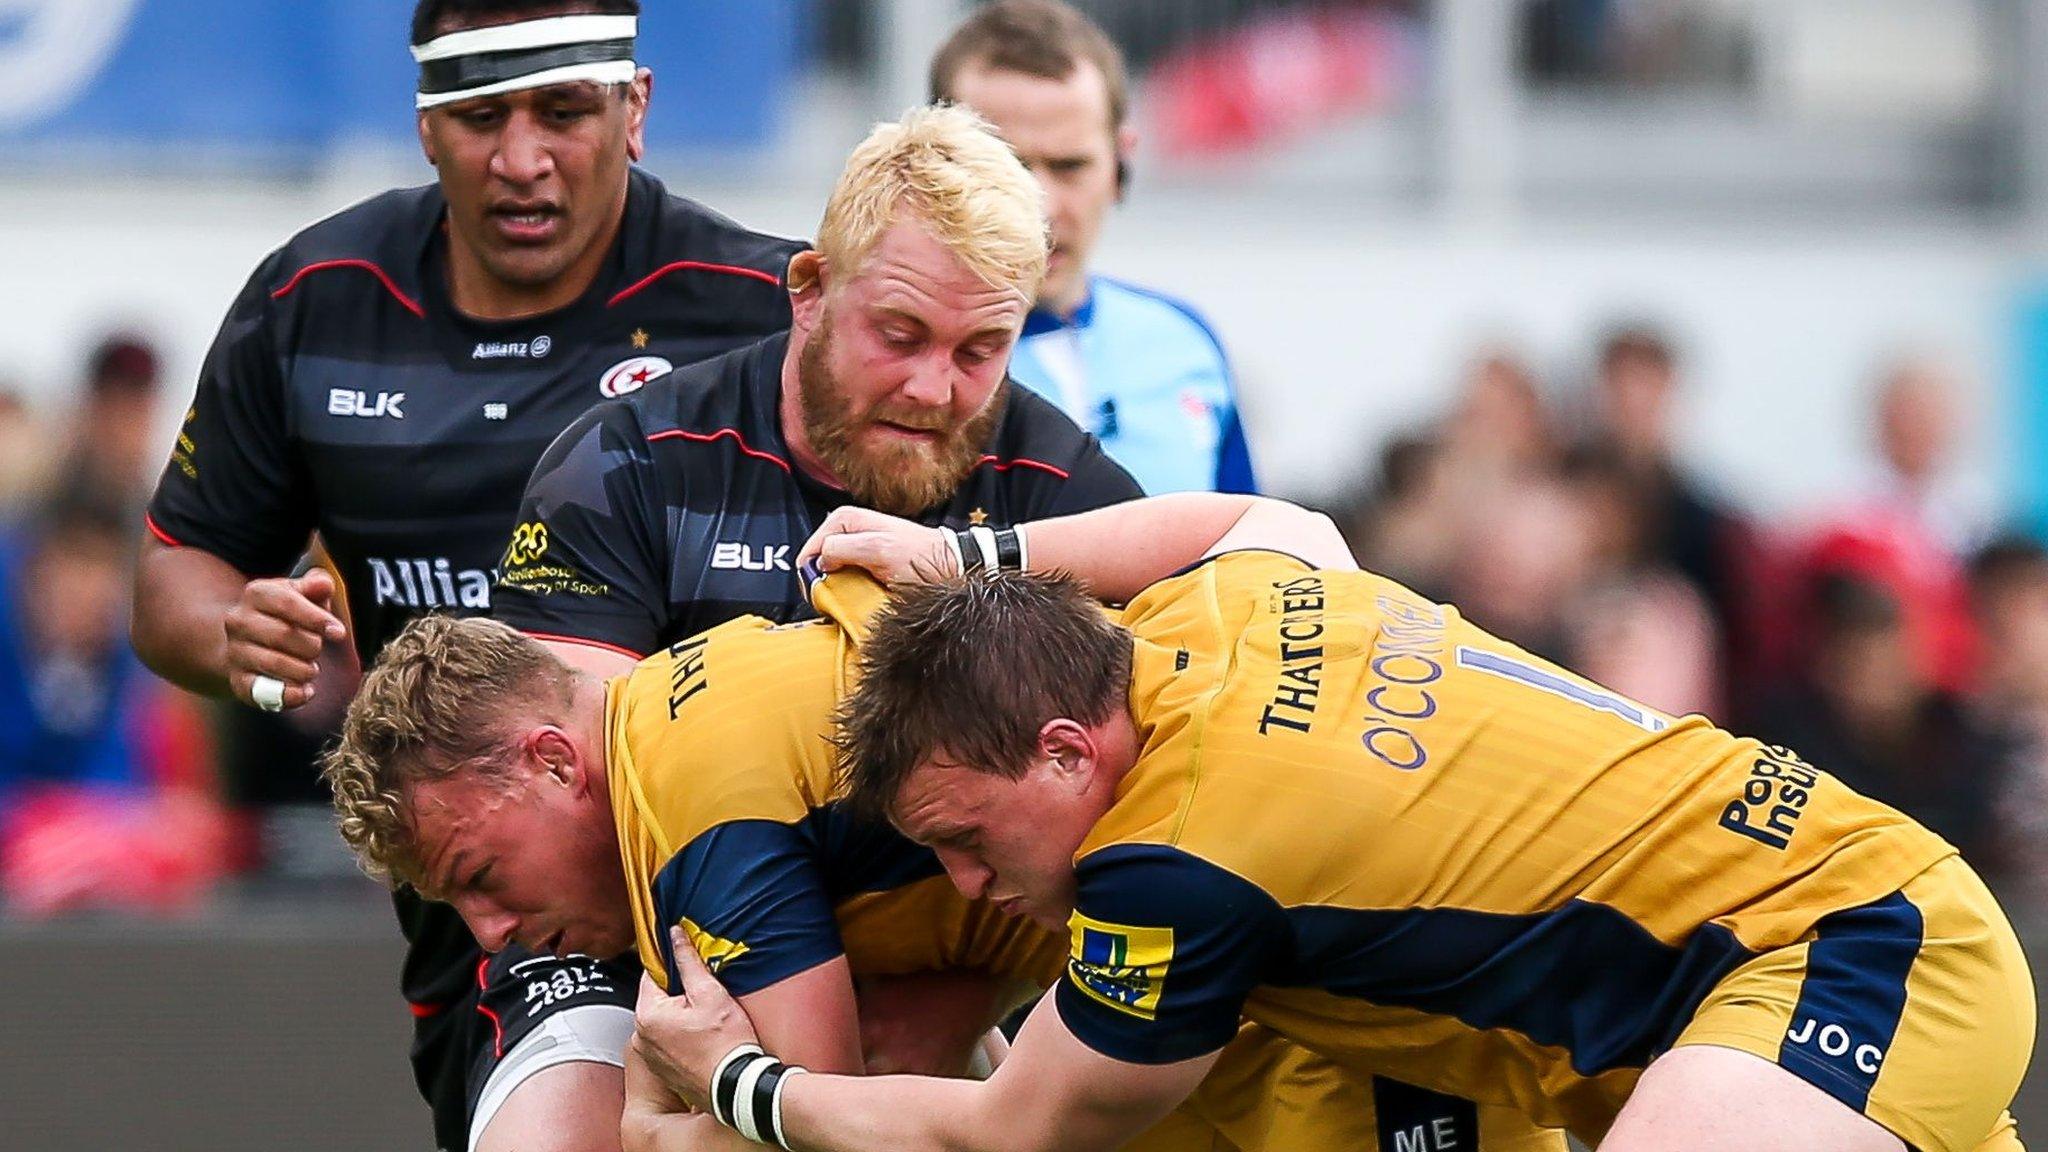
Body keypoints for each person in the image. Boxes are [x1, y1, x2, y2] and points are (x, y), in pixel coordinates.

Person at [630, 503, 2034, 1152]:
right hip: (1829, 928)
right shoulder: (1216, 610)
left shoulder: (1169, 870)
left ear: (1067, 747)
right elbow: (1276, 516)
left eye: (961, 834)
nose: (958, 884)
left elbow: (1013, 1130)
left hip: (1839, 951)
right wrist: (975, 556)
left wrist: (741, 1088)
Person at [325, 493, 1568, 1152]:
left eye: (474, 873)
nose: (491, 934)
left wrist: (671, 1118)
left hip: (1316, 1018)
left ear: (554, 761)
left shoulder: (690, 802)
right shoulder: (717, 682)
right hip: (1214, 1010)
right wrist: (982, 553)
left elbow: (823, 1114)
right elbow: (1289, 533)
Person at [128, 3, 804, 1150]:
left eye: (564, 113)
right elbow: (173, 575)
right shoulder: (315, 303)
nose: (523, 157)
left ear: (633, 109)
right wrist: (236, 642)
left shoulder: (763, 307)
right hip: (507, 924)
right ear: (427, 125)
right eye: (482, 116)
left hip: (768, 878)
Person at [489, 102, 1142, 673]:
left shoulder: (1055, 481)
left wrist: (974, 562)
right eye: (899, 336)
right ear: (809, 290)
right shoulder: (626, 466)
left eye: (980, 349)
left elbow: (1238, 564)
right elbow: (556, 773)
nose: (931, 389)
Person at [929, 0, 1257, 496]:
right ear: (932, 169)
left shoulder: (1182, 344)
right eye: (1002, 166)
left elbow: (1253, 559)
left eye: (1069, 167)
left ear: (1121, 165)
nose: (1038, 207)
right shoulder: (891, 363)